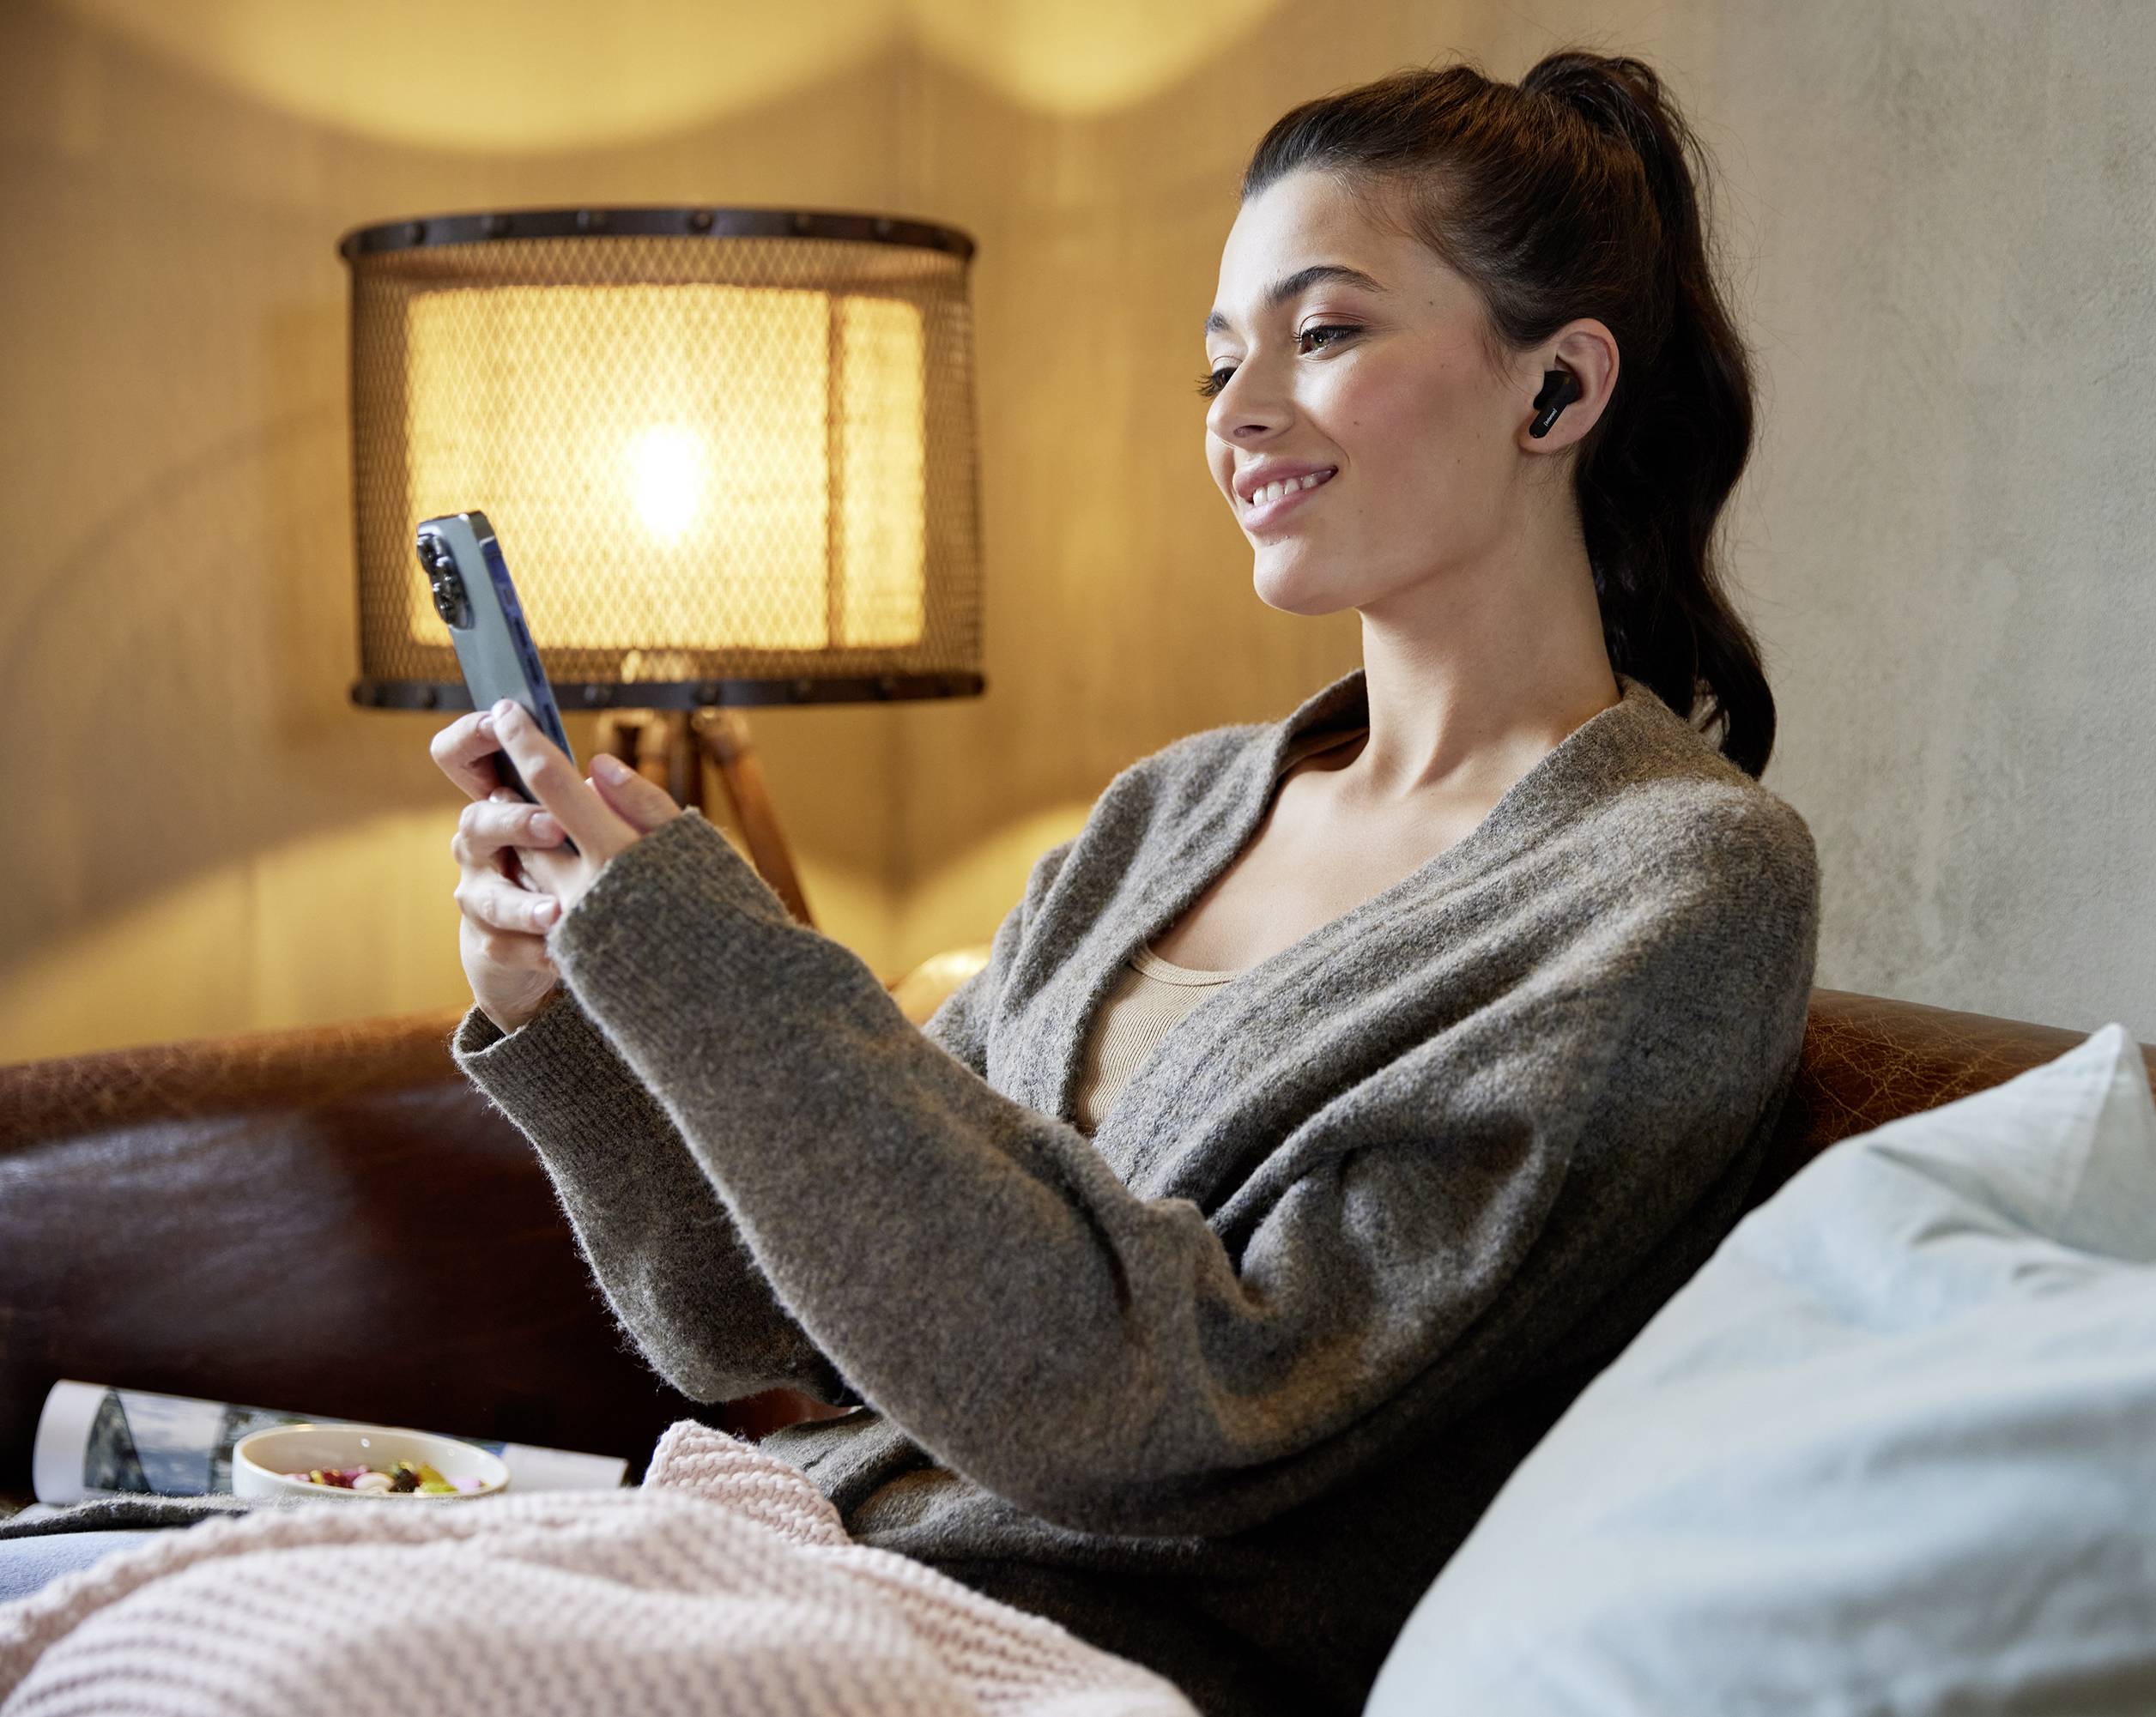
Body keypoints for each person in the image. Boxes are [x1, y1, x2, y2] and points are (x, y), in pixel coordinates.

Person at [9, 49, 1823, 1717]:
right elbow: (767, 1318)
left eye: (1322, 332)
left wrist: (715, 955)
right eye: (1216, 356)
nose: (1239, 408)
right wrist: (559, 1000)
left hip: (1081, 1652)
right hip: (808, 1550)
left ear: (1561, 383)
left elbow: (1180, 1402)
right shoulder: (1166, 813)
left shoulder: (1674, 885)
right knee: (111, 1622)